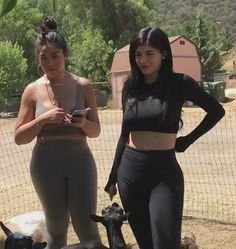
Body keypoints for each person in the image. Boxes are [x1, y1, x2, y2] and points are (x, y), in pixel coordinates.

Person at [104, 27, 225, 249]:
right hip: (130, 173)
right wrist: (112, 177)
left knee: (166, 244)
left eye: (149, 53)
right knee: (146, 244)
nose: (142, 60)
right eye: (138, 55)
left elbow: (217, 111)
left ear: (164, 54)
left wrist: (187, 141)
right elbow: (124, 135)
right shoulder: (131, 87)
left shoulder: (180, 83)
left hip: (164, 174)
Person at [14, 16, 101, 249]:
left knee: (86, 224)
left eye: (55, 56)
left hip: (80, 161)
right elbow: (19, 137)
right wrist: (42, 119)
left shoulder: (83, 85)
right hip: (45, 163)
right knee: (56, 225)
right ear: (38, 60)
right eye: (44, 58)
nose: (50, 62)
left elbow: (95, 131)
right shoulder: (32, 90)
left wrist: (82, 124)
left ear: (65, 54)